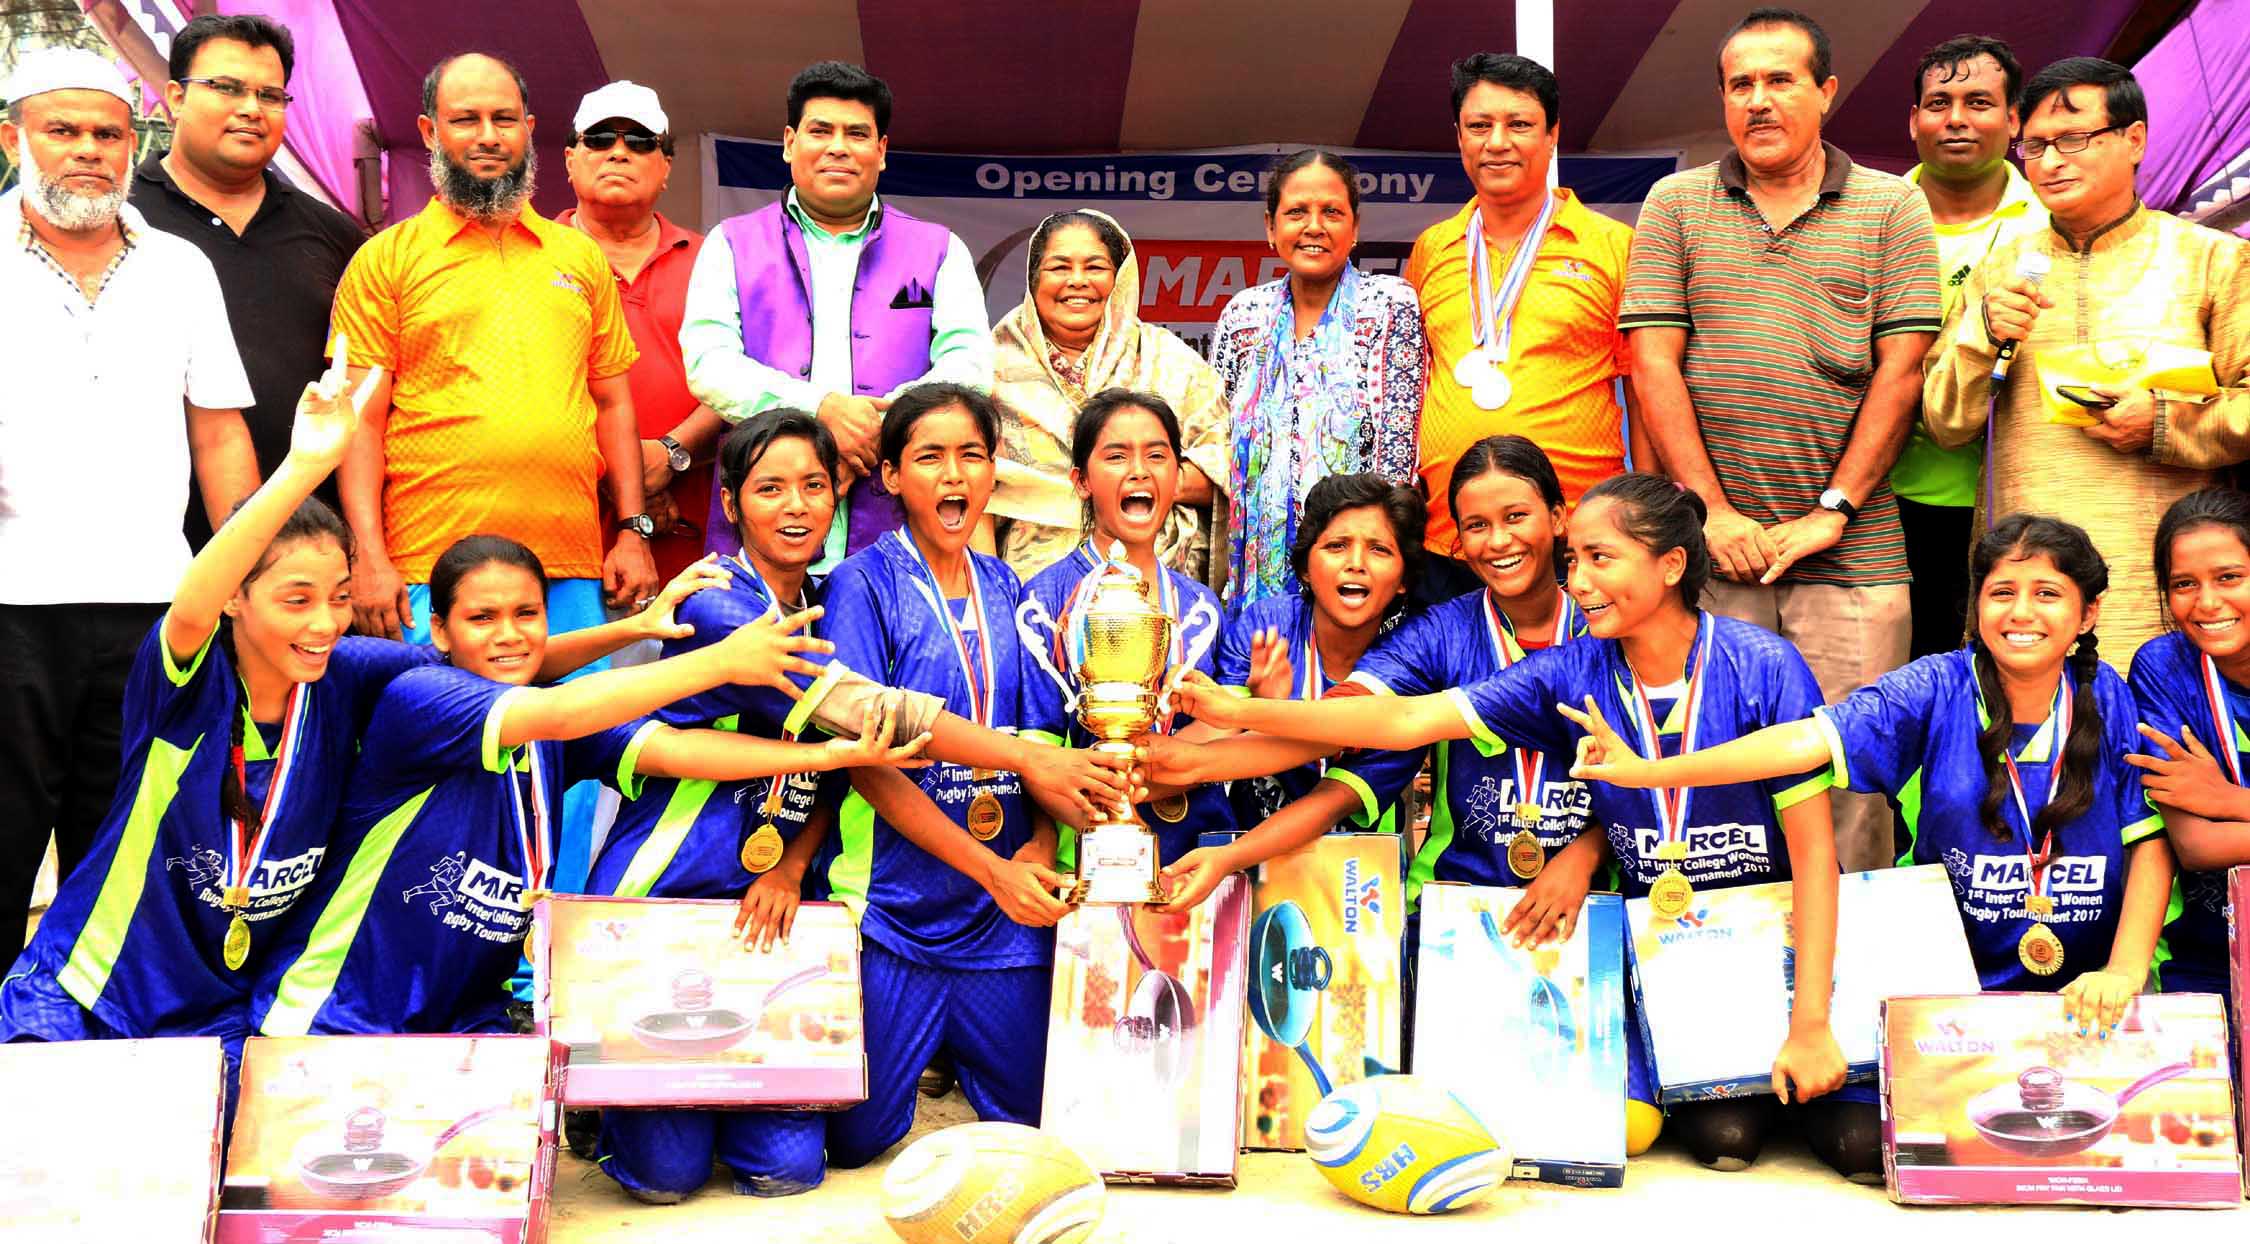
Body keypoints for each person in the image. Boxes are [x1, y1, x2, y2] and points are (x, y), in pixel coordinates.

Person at [1170, 473, 1872, 1177]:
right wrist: (1244, 713)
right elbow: (1408, 718)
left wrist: (1811, 1023)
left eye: (1601, 558)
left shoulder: (1764, 665)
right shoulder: (1569, 670)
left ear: (1671, 565)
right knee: (1714, 1136)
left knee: (1852, 1143)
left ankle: (1810, 1049)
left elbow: (1815, 856)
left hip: (1777, 950)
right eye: (1576, 562)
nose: (1581, 580)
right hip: (1668, 952)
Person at [588, 409, 1130, 1202]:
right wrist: (1026, 757)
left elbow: (829, 774)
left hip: (775, 901)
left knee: (789, 1170)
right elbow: (864, 719)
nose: (799, 504)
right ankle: (612, 1116)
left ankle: (694, 1108)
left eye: (813, 484)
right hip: (678, 893)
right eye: (771, 489)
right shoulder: (720, 603)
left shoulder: (825, 593)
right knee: (667, 1177)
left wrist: (798, 863)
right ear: (731, 503)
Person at [251, 535, 905, 1038]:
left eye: (527, 613)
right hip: (337, 1015)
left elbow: (675, 749)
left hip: (460, 1020)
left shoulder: (553, 713)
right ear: (440, 632)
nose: (509, 634)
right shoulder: (423, 699)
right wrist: (721, 661)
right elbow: (560, 709)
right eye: (483, 618)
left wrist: (827, 757)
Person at [1575, 514, 2173, 1041]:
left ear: (2088, 611)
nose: (2021, 613)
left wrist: (2122, 971)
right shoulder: (1935, 685)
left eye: (2048, 593)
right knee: (1870, 1148)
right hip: (1948, 991)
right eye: (2001, 593)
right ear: (1975, 603)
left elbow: (2147, 842)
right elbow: (1802, 741)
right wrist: (1651, 772)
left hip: (2086, 995)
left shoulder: (2112, 697)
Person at [1621, 7, 1942, 873]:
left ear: (1826, 92)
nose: (1759, 101)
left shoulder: (1892, 206)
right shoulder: (1675, 204)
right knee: (1715, 786)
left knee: (1851, 785)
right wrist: (1708, 513)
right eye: (1740, 85)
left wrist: (1832, 510)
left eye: (1780, 81)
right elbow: (1653, 365)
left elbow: (1902, 374)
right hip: (1711, 558)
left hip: (1855, 554)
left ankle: (1847, 997)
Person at [330, 51, 654, 897]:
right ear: (432, 133)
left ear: (530, 132)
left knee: (576, 761)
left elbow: (615, 406)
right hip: (430, 567)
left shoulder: (576, 259)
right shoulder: (387, 260)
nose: (487, 136)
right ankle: (428, 946)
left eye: (503, 119)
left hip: (572, 567)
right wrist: (366, 554)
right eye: (466, 120)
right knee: (440, 762)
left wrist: (632, 527)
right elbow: (357, 419)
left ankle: (551, 948)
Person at [0, 352, 384, 1052]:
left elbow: (480, 669)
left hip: (220, 1022)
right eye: (296, 600)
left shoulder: (349, 680)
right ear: (236, 597)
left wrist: (636, 630)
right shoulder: (185, 683)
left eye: (340, 598)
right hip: (86, 1002)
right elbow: (191, 605)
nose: (325, 623)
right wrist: (303, 466)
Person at [0, 47, 259, 952]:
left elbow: (219, 434)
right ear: (12, 137)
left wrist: (245, 580)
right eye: (61, 130)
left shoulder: (180, 267)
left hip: (158, 607)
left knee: (129, 850)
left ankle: (103, 1047)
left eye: (107, 133)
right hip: (11, 608)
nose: (88, 150)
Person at [1925, 56, 2250, 665]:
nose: (2050, 162)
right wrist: (1981, 336)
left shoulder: (2210, 260)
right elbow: (1945, 424)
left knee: (2152, 746)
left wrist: (2164, 423)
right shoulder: (2001, 267)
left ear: (2134, 140)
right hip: (2022, 587)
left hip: (2157, 586)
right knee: (2023, 753)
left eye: (2073, 139)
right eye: (2035, 145)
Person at [818, 384, 1066, 1168]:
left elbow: (1042, 742)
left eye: (972, 456)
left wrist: (1045, 846)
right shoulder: (863, 583)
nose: (954, 475)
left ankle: (959, 1049)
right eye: (929, 457)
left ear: (994, 471)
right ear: (890, 475)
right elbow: (868, 765)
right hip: (899, 914)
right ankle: (930, 1047)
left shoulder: (1009, 588)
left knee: (1033, 1123)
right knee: (858, 1142)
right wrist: (994, 868)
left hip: (1003, 917)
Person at [682, 61, 993, 567]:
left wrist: (876, 430)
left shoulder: (938, 249)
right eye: (820, 130)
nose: (838, 147)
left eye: (857, 133)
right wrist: (820, 410)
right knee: (756, 647)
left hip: (897, 532)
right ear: (788, 143)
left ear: (882, 151)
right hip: (761, 533)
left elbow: (970, 369)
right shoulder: (732, 244)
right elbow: (709, 364)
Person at [1407, 53, 1644, 598]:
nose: (1498, 142)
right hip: (1450, 543)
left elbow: (1645, 389)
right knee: (1452, 683)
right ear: (1459, 136)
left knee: (1574, 685)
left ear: (1553, 134)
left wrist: (1646, 508)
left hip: (1581, 542)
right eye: (1480, 125)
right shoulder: (1432, 249)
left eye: (1519, 125)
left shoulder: (1611, 247)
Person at [134, 13, 367, 549]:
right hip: (154, 550)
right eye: (226, 87)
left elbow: (361, 395)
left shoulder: (333, 236)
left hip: (308, 556)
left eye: (269, 94)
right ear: (174, 96)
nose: (249, 109)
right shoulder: (122, 224)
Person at [1154, 472, 1428, 912]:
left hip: (1356, 888)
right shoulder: (1268, 625)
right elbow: (1210, 746)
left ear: (1402, 581)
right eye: (1336, 546)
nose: (1356, 562)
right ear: (1305, 566)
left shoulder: (1411, 661)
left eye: (1379, 549)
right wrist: (1247, 709)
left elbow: (1328, 804)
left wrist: (1264, 712)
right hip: (1246, 876)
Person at [1018, 391, 1237, 868]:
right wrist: (1109, 828)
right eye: (1116, 456)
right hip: (1088, 855)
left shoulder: (1200, 607)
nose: (1139, 470)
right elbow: (1035, 755)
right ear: (1081, 481)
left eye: (1157, 456)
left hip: (1199, 856)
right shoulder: (1043, 602)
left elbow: (1221, 730)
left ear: (1177, 477)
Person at [1210, 149, 1425, 607]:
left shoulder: (1388, 303)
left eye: (1331, 211)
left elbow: (1396, 460)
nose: (1313, 226)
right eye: (1296, 212)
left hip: (1355, 577)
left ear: (1355, 227)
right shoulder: (1242, 316)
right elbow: (1218, 444)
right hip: (1255, 579)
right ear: (1271, 227)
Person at [1894, 36, 2046, 657]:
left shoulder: (2050, 223)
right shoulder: (1869, 216)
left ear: (2013, 121)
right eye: (1939, 102)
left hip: (2011, 496)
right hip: (1877, 499)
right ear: (1914, 121)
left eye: (1979, 102)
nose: (1956, 118)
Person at [989, 211, 1227, 582]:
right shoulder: (989, 365)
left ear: (1119, 278)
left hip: (1155, 576)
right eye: (1059, 267)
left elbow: (1224, 466)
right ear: (1033, 279)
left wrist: (1127, 478)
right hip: (1030, 586)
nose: (1078, 281)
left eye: (1095, 267)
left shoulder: (1169, 359)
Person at [557, 80, 724, 583]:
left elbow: (746, 375)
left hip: (697, 532)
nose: (619, 153)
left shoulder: (715, 259)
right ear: (570, 158)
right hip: (567, 534)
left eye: (640, 142)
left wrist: (672, 454)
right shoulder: (531, 257)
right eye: (600, 139)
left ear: (666, 166)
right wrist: (624, 470)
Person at [2125, 488, 2250, 1005]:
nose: (2207, 603)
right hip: (2210, 951)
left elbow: (2216, 823)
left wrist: (2228, 802)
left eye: (2229, 578)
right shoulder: (2163, 669)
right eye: (2183, 584)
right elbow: (2197, 846)